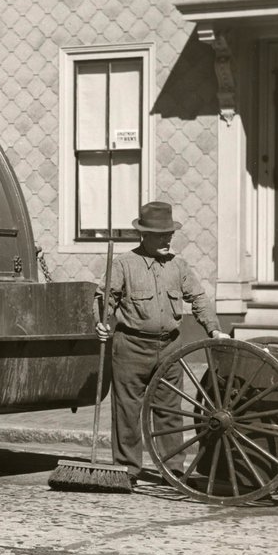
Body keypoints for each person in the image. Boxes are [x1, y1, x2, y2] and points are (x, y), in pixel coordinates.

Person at [94, 201, 229, 477]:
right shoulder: (124, 265)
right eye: (160, 235)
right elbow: (105, 299)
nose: (167, 239)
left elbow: (199, 299)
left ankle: (173, 470)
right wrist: (102, 322)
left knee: (169, 410)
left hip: (170, 347)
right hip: (131, 347)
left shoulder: (179, 266)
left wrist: (213, 329)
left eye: (170, 234)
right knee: (127, 410)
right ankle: (127, 469)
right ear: (143, 235)